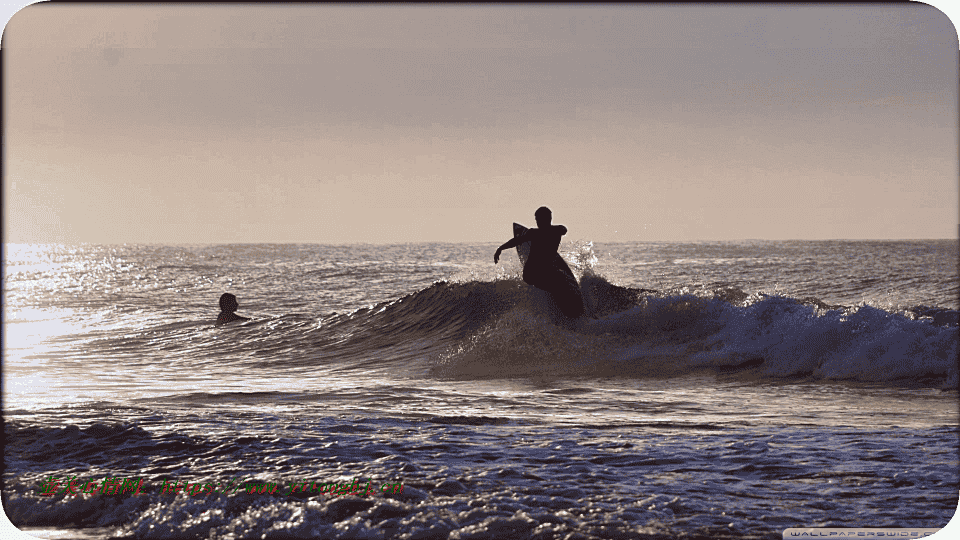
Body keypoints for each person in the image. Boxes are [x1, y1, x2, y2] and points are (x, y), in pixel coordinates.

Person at [494, 206, 586, 319]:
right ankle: (567, 310)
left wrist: (500, 249)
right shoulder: (556, 231)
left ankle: (567, 308)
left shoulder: (534, 233)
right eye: (537, 220)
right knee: (559, 284)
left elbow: (518, 240)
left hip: (539, 272)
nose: (537, 222)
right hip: (533, 274)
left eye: (538, 219)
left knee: (560, 281)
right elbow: (564, 229)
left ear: (547, 219)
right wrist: (501, 248)